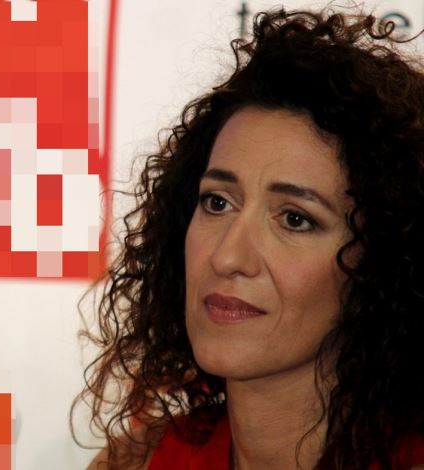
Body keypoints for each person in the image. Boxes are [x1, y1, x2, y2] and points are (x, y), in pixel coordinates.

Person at [71, 7, 424, 470]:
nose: (227, 256)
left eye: (294, 219)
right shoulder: (135, 460)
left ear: (383, 263)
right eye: (217, 203)